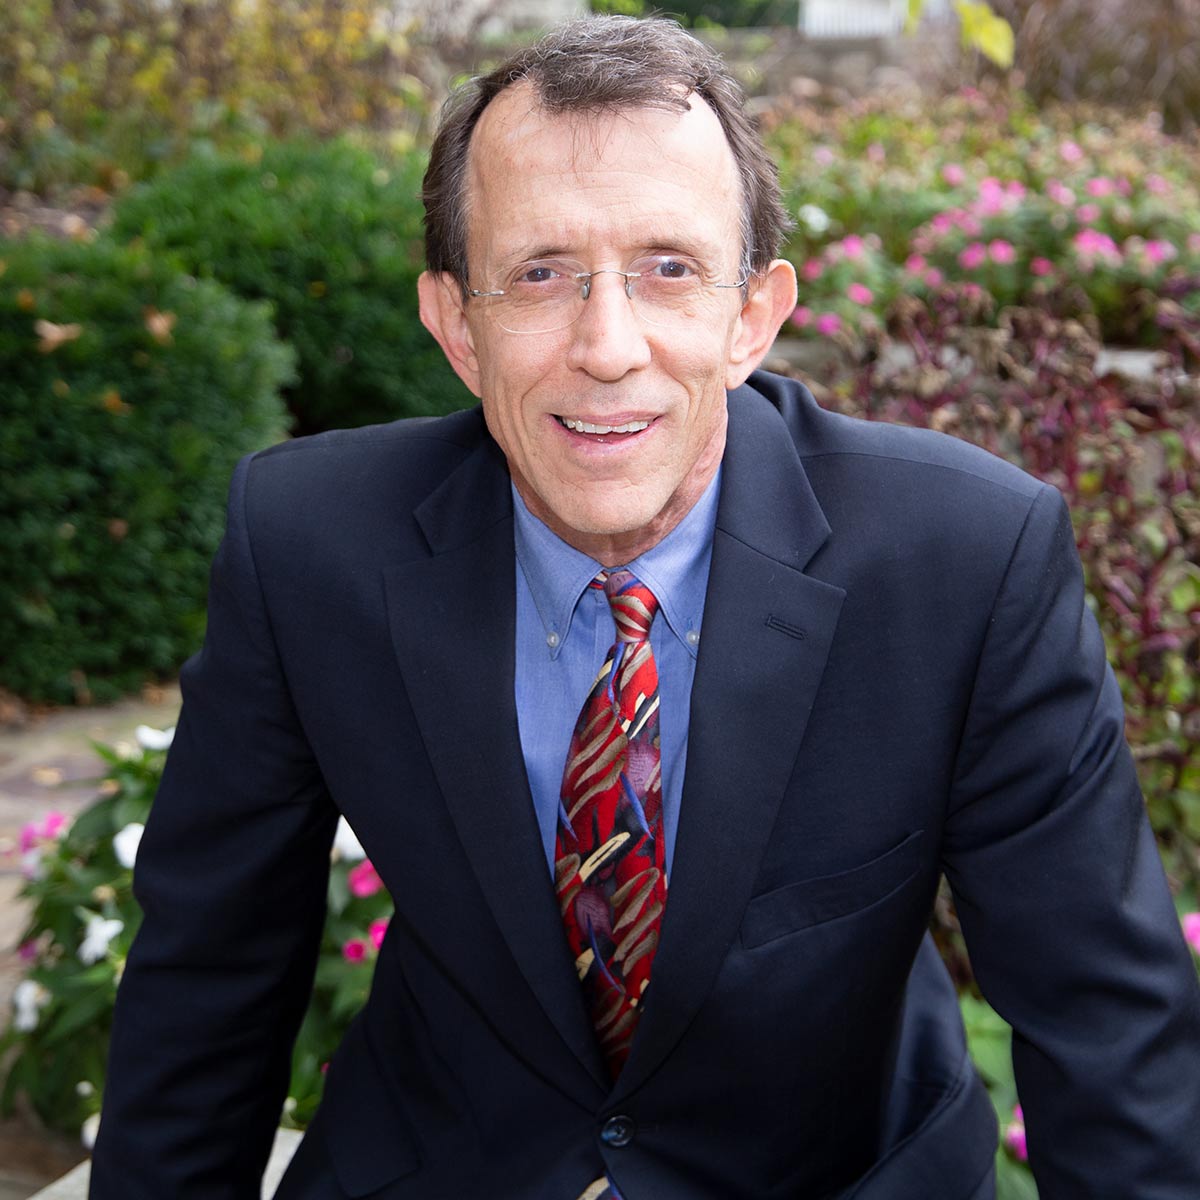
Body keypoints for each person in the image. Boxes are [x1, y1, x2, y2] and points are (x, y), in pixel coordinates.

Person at [91, 15, 1200, 1200]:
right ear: (457, 325)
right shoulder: (310, 542)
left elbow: (1109, 1032)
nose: (607, 346)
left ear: (754, 316)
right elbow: (204, 987)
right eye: (541, 273)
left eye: (669, 269)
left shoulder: (966, 562)